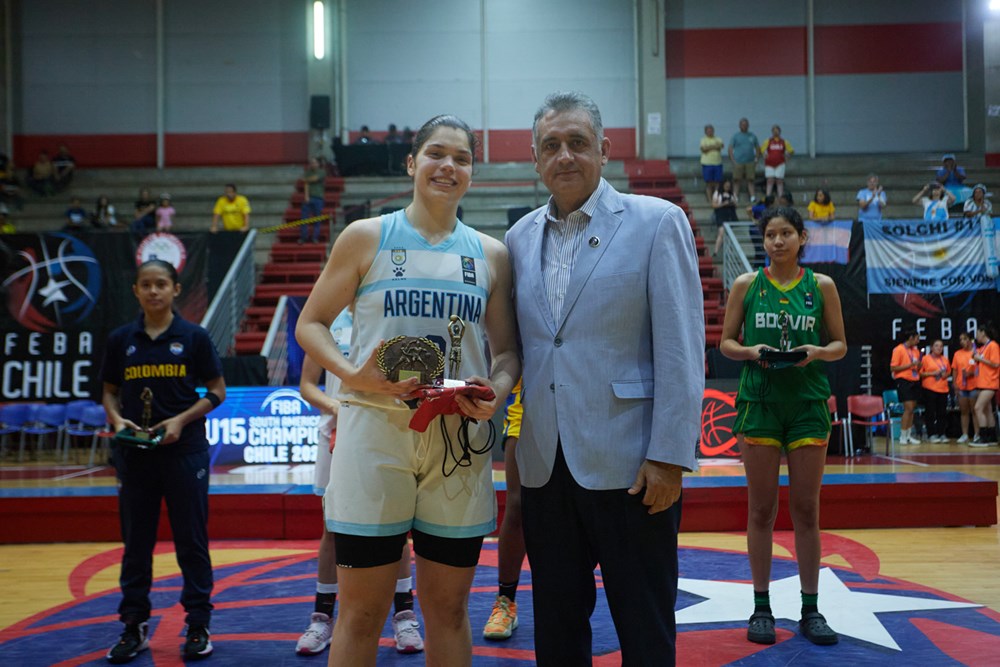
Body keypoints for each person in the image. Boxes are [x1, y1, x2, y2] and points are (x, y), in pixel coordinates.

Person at [295, 114, 519, 666]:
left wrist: (496, 390)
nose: (449, 166)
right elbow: (311, 322)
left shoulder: (491, 255)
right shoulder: (366, 236)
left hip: (458, 441)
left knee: (448, 612)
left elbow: (509, 353)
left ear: (472, 172)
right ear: (412, 162)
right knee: (362, 615)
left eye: (462, 158)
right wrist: (353, 375)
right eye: (437, 154)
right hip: (374, 432)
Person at [505, 91, 704, 665]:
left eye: (577, 142)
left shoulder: (657, 222)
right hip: (545, 468)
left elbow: (682, 349)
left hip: (634, 467)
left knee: (644, 629)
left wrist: (670, 455)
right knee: (558, 632)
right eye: (551, 146)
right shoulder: (517, 240)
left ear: (605, 150)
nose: (564, 156)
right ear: (535, 158)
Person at [719, 205, 847, 647]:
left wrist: (817, 351)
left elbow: (840, 345)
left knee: (807, 510)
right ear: (764, 240)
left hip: (808, 403)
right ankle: (761, 607)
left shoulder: (822, 286)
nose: (778, 241)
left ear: (801, 238)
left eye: (786, 233)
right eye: (771, 234)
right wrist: (752, 350)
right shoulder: (747, 284)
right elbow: (726, 343)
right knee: (761, 510)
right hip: (760, 403)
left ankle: (810, 609)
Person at [100, 259, 226, 664]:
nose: (154, 291)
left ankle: (197, 624)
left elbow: (217, 391)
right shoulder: (122, 339)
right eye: (146, 285)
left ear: (176, 289)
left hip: (184, 451)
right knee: (136, 544)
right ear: (136, 291)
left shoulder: (194, 337)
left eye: (161, 284)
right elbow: (108, 391)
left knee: (191, 541)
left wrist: (181, 419)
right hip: (135, 456)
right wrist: (118, 419)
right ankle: (134, 626)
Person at [296, 312, 424, 656]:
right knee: (332, 528)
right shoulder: (326, 323)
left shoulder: (387, 313)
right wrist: (337, 407)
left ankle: (404, 615)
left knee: (394, 524)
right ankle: (322, 617)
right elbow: (308, 384)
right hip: (337, 430)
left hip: (382, 427)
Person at [481, 379, 526, 641]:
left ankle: (564, 599)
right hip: (528, 403)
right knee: (518, 504)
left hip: (582, 402)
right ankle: (505, 601)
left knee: (571, 506)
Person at [890, 330, 923, 445]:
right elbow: (893, 368)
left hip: (915, 380)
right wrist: (909, 365)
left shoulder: (916, 350)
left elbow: (917, 368)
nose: (918, 341)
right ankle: (902, 435)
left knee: (912, 409)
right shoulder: (898, 349)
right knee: (908, 408)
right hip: (903, 381)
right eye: (916, 338)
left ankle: (909, 435)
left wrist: (918, 366)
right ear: (910, 337)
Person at [970, 324, 999, 446]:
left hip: (990, 382)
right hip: (983, 382)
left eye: (977, 333)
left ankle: (983, 437)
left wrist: (979, 359)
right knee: (987, 410)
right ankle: (992, 437)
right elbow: (979, 359)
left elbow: (996, 364)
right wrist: (975, 357)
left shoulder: (993, 345)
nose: (976, 336)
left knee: (978, 408)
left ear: (983, 333)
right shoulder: (983, 348)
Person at [919, 339, 951, 443]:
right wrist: (932, 373)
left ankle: (941, 433)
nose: (939, 348)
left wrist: (944, 375)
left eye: (941, 346)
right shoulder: (925, 359)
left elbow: (948, 372)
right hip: (929, 389)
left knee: (942, 413)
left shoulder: (945, 359)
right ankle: (931, 434)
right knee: (930, 412)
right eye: (936, 346)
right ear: (932, 347)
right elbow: (920, 374)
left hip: (943, 389)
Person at [952, 331, 981, 443]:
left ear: (970, 340)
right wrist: (955, 384)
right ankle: (964, 434)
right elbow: (954, 370)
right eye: (960, 340)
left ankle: (977, 434)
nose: (962, 342)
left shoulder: (976, 352)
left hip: (974, 386)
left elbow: (980, 369)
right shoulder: (957, 354)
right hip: (961, 387)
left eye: (964, 339)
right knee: (964, 411)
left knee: (974, 411)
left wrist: (971, 374)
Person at [729, 117, 760, 203]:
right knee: (736, 180)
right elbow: (730, 148)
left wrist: (756, 159)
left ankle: (752, 196)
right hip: (738, 162)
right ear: (739, 126)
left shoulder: (752, 136)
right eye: (742, 124)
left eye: (746, 124)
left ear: (748, 125)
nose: (744, 126)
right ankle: (735, 196)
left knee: (750, 179)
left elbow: (757, 148)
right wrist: (733, 160)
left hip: (750, 162)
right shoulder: (736, 136)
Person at [760, 125, 793, 198]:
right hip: (769, 164)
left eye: (777, 130)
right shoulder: (768, 141)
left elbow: (791, 151)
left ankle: (780, 197)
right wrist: (764, 155)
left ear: (780, 131)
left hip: (780, 164)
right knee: (769, 180)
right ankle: (768, 196)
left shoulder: (784, 142)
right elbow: (761, 149)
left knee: (779, 181)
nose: (775, 132)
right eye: (774, 130)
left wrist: (787, 157)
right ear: (772, 132)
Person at [299, 158, 325, 244]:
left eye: (314, 162)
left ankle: (315, 237)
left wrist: (305, 179)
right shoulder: (308, 173)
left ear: (318, 164)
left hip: (318, 198)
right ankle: (303, 237)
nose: (313, 164)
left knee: (317, 219)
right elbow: (306, 184)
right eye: (311, 163)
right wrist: (306, 196)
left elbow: (315, 179)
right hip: (309, 197)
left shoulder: (321, 172)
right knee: (304, 219)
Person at [712, 177, 739, 256]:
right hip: (721, 214)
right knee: (721, 232)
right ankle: (716, 251)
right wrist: (723, 204)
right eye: (726, 186)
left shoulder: (732, 194)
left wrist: (733, 203)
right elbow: (713, 205)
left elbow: (736, 205)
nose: (727, 187)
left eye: (729, 186)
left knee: (729, 235)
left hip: (730, 214)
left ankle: (729, 252)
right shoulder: (717, 193)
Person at [700, 124, 724, 202]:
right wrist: (714, 146)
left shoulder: (718, 139)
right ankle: (710, 199)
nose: (710, 132)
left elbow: (721, 146)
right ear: (705, 132)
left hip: (718, 163)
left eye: (711, 130)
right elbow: (704, 149)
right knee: (709, 182)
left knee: (717, 182)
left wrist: (709, 147)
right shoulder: (703, 140)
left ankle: (716, 198)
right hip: (707, 164)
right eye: (708, 130)